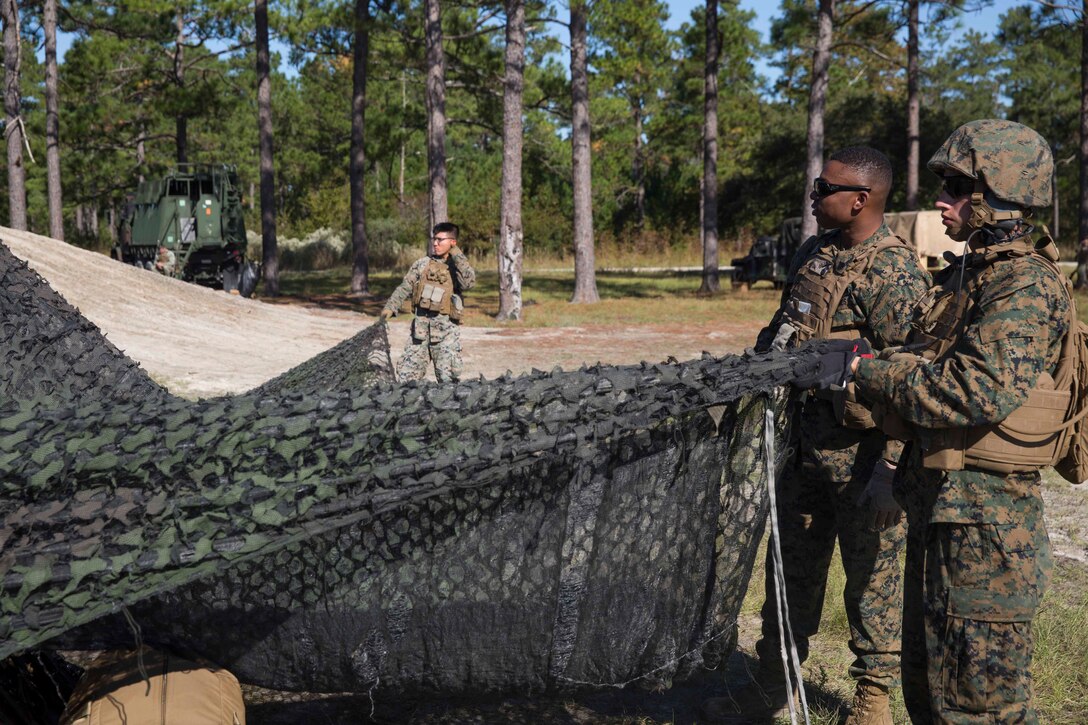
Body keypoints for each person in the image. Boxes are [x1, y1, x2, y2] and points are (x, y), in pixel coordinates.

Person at [799, 120, 1067, 723]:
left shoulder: (1022, 284)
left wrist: (866, 369)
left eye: (958, 187)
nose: (941, 200)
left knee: (974, 706)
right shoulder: (971, 276)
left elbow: (973, 391)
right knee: (928, 694)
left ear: (1000, 196)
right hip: (941, 509)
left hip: (985, 530)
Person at [703, 146, 931, 724]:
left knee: (871, 585)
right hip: (801, 451)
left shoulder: (894, 271)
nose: (814, 195)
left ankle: (872, 700)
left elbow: (912, 380)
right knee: (790, 576)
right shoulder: (813, 253)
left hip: (865, 460)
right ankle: (774, 679)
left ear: (860, 199)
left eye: (825, 188)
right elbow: (781, 332)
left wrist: (888, 475)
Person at [381, 222, 476, 382]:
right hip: (420, 332)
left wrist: (457, 254)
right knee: (406, 378)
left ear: (452, 242)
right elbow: (405, 287)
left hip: (446, 334)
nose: (435, 243)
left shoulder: (457, 268)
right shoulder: (422, 264)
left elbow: (469, 283)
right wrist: (390, 307)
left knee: (448, 381)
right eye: (434, 239)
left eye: (440, 240)